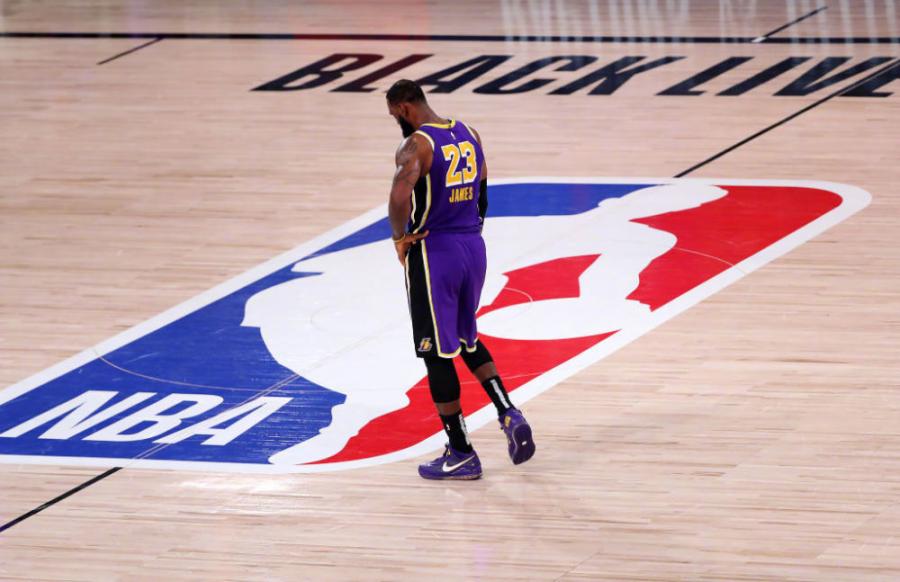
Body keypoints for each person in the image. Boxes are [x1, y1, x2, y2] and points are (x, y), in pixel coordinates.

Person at [386, 79, 535, 480]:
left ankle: (461, 451)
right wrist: (471, 230)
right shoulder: (470, 133)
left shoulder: (415, 145)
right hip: (473, 248)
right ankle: (508, 412)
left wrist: (400, 238)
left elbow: (399, 197)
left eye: (394, 116)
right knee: (466, 337)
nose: (396, 123)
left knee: (435, 352)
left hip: (435, 252)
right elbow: (482, 192)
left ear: (403, 108)